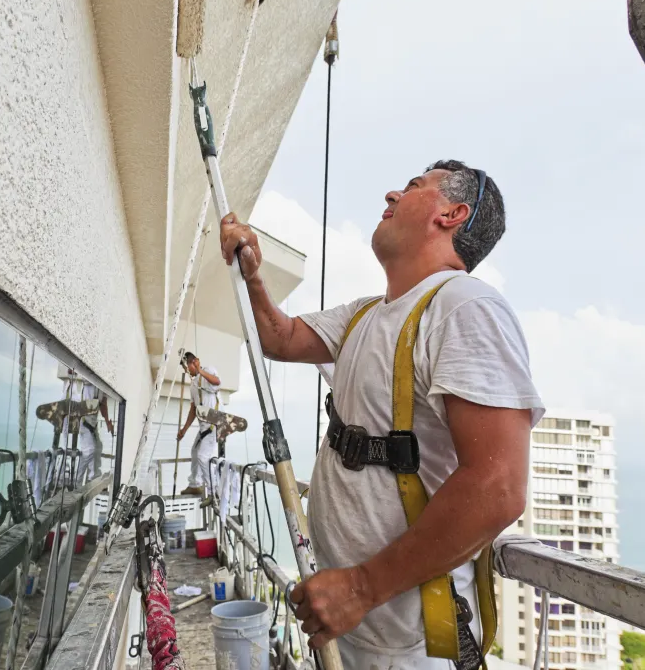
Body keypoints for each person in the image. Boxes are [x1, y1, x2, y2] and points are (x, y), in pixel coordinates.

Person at [218, 160, 541, 670]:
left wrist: (363, 587)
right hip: (351, 627)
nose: (392, 192)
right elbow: (279, 337)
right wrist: (252, 277)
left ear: (452, 214)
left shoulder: (464, 307)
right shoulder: (367, 314)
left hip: (409, 647)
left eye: (415, 186)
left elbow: (498, 486)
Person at [173, 351, 222, 497]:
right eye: (184, 368)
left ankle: (214, 492)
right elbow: (193, 410)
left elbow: (217, 382)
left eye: (187, 366)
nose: (186, 371)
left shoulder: (208, 371)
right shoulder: (193, 386)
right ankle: (195, 484)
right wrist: (184, 430)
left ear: (195, 362)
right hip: (203, 426)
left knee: (202, 456)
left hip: (214, 422)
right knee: (195, 452)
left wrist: (200, 370)